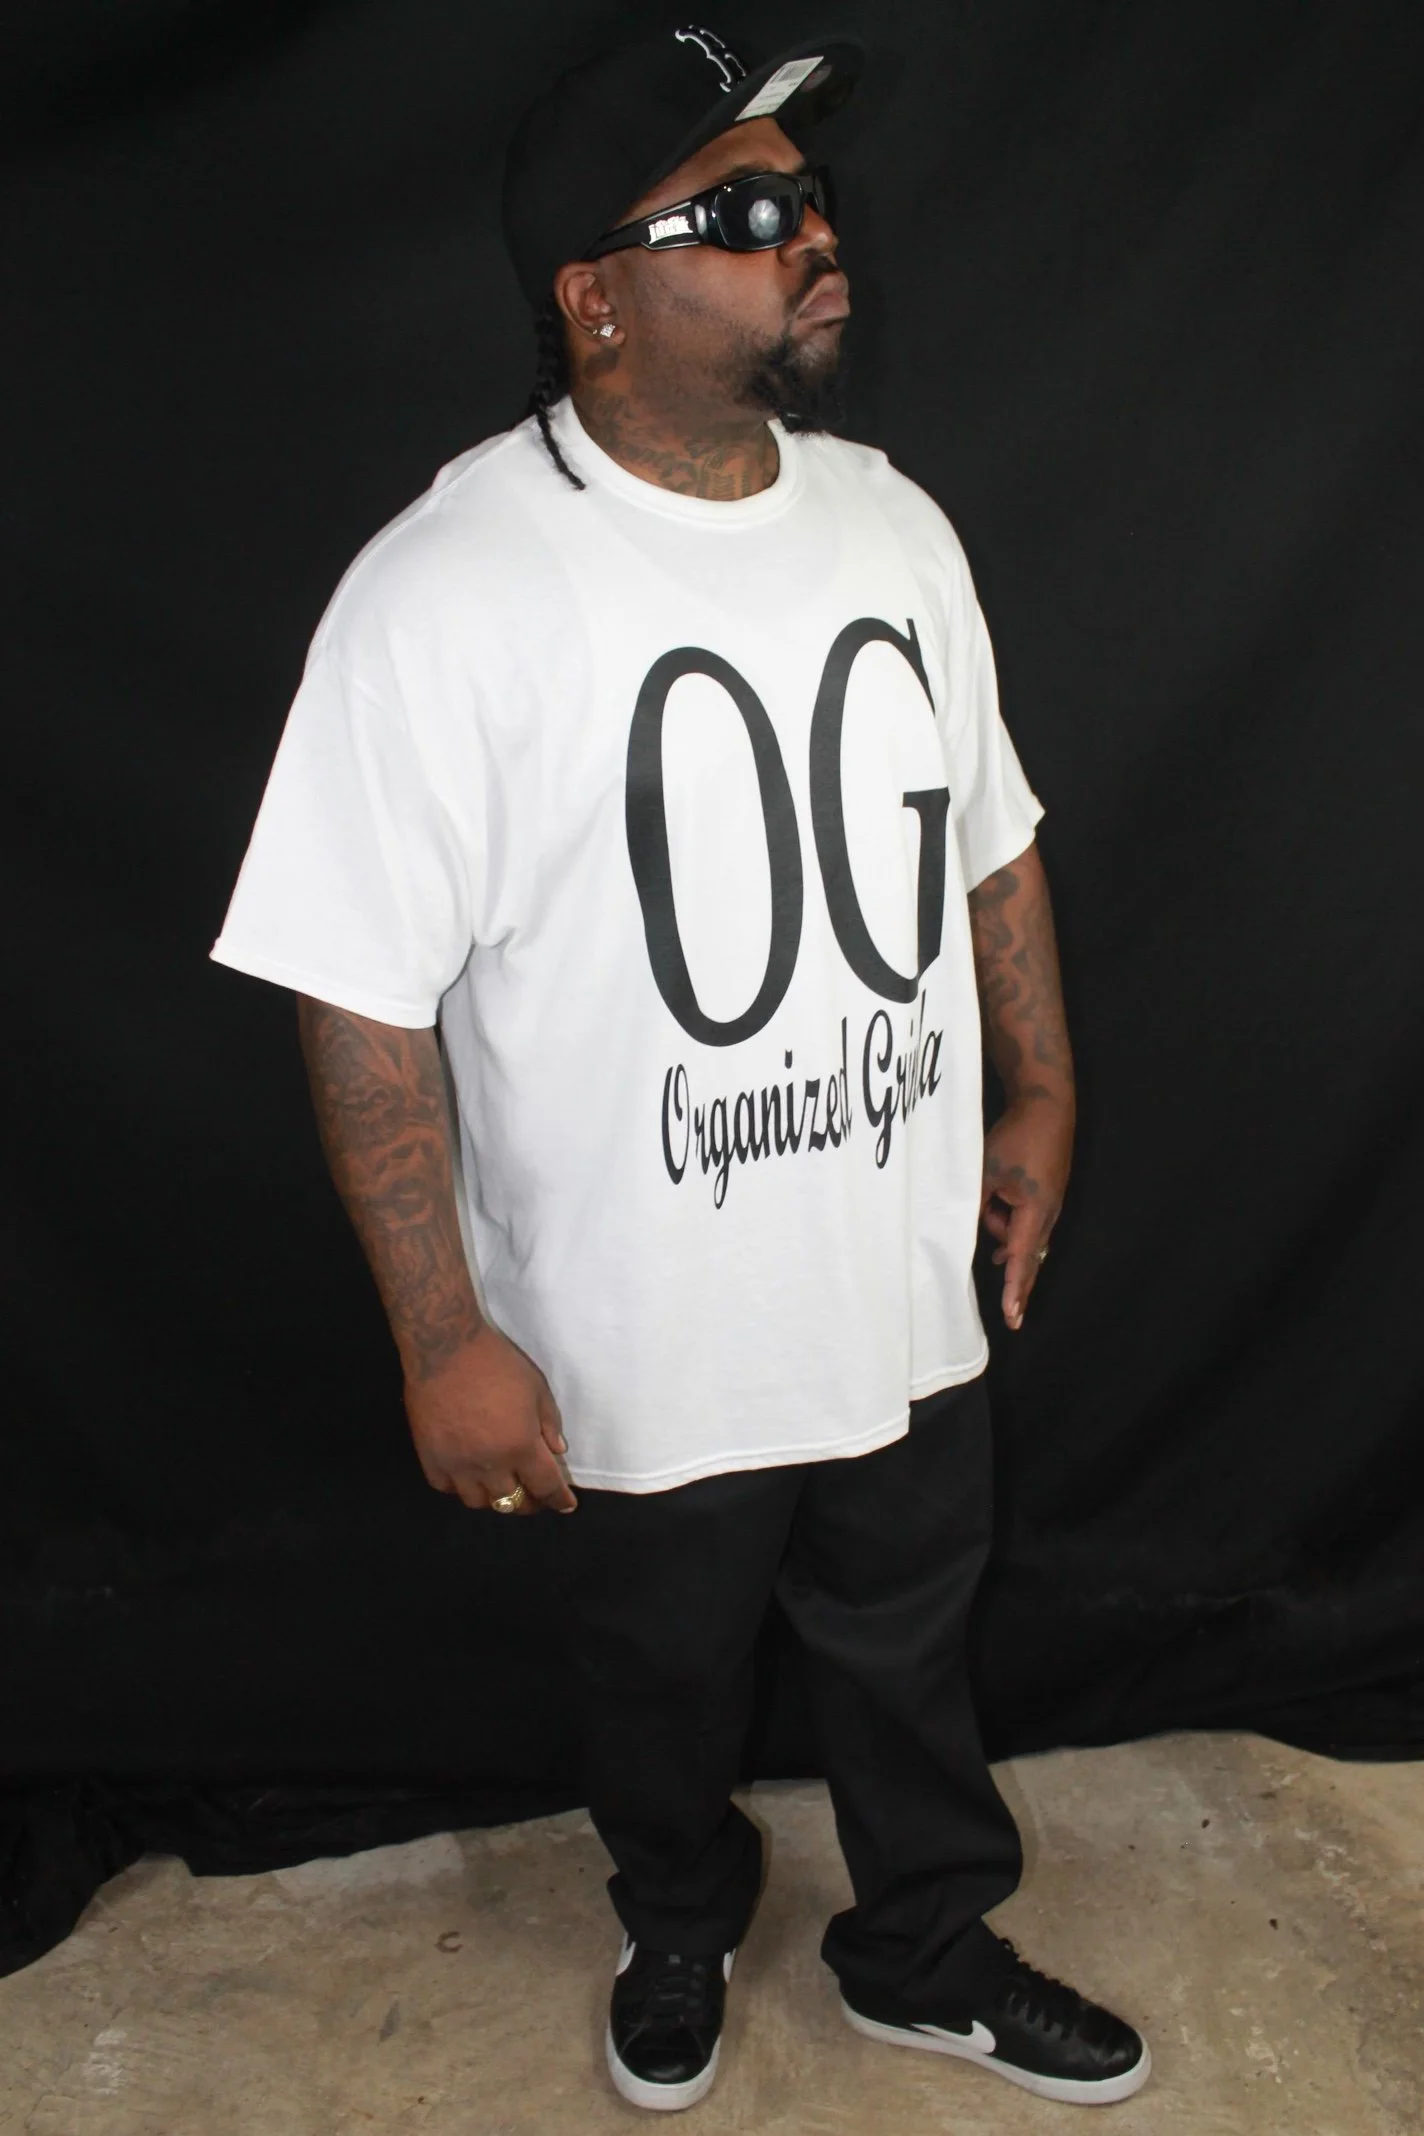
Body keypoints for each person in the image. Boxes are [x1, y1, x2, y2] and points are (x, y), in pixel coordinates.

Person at [213, 22, 1151, 2115]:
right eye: (738, 211)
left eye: (804, 198)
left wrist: (1041, 1091)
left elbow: (986, 834)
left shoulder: (893, 527)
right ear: (595, 294)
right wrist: (439, 1330)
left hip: (894, 1271)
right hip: (634, 1323)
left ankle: (922, 1944)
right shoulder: (446, 590)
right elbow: (356, 989)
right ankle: (674, 1918)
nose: (809, 235)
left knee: (913, 1637)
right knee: (657, 1672)